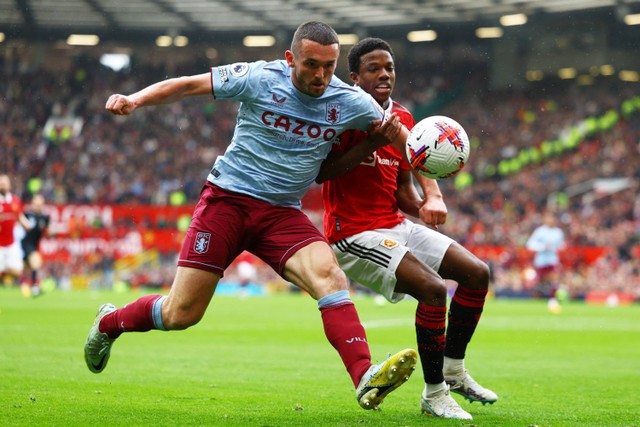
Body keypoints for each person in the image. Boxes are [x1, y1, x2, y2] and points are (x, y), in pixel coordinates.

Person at [85, 21, 418, 411]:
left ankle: (364, 376)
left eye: (329, 66)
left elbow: (403, 141)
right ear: (290, 59)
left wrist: (432, 186)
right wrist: (135, 99)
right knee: (182, 313)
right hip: (227, 202)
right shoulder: (259, 77)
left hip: (281, 212)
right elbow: (189, 85)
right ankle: (109, 322)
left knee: (328, 275)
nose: (321, 76)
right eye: (311, 65)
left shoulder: (350, 101)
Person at [316, 37, 498, 420]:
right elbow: (321, 174)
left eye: (390, 68)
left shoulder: (405, 119)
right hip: (352, 234)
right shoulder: (339, 113)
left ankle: (454, 371)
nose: (384, 74)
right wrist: (370, 145)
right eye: (373, 69)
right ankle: (435, 394)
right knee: (432, 290)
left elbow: (401, 189)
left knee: (477, 273)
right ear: (354, 77)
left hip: (396, 224)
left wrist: (425, 203)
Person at [526, 210, 566, 298]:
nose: (550, 220)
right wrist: (542, 247)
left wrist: (557, 247)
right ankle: (536, 297)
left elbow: (561, 245)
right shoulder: (540, 231)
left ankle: (553, 298)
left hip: (552, 259)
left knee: (554, 278)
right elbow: (530, 244)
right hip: (541, 260)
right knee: (540, 281)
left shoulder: (558, 232)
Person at [0, 174, 32, 287]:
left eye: (5, 183)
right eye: (1, 183)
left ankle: (4, 273)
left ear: (9, 185)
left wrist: (27, 226)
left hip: (10, 244)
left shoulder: (15, 201)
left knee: (18, 271)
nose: (3, 185)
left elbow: (20, 216)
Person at [20, 193, 51, 297]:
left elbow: (49, 232)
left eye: (40, 202)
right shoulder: (27, 214)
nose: (38, 204)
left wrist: (51, 231)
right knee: (35, 261)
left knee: (25, 267)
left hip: (34, 244)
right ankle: (34, 286)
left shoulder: (45, 217)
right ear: (32, 203)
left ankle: (26, 284)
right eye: (36, 202)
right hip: (25, 243)